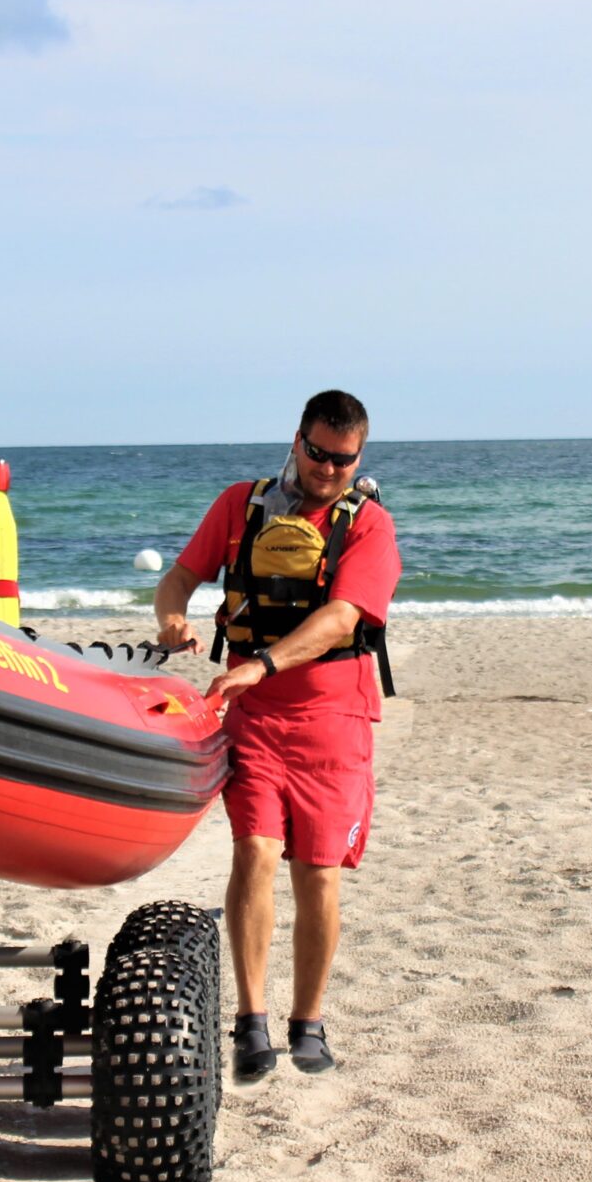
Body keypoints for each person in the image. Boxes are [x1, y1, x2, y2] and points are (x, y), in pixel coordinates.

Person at [154, 390, 401, 1081]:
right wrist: (171, 618)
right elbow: (180, 577)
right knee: (255, 851)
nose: (328, 469)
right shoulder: (242, 504)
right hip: (255, 717)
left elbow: (342, 617)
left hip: (334, 721)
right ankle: (251, 1021)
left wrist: (261, 663)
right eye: (318, 453)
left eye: (343, 460)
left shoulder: (369, 525)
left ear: (359, 458)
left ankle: (308, 1021)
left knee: (317, 871)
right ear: (297, 440)